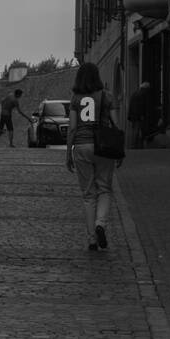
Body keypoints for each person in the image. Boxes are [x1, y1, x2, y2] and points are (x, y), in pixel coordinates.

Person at [66, 62, 122, 252]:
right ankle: (100, 224)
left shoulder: (75, 99)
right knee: (105, 189)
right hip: (104, 146)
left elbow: (72, 128)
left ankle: (91, 239)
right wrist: (119, 149)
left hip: (82, 146)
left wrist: (68, 152)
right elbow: (116, 124)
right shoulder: (107, 96)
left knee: (88, 194)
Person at [127, 80, 151, 149]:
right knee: (138, 130)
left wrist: (130, 115)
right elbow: (141, 106)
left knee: (135, 129)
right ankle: (136, 145)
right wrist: (142, 115)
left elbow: (131, 105)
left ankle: (134, 145)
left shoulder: (135, 93)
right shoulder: (143, 94)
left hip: (133, 115)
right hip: (138, 115)